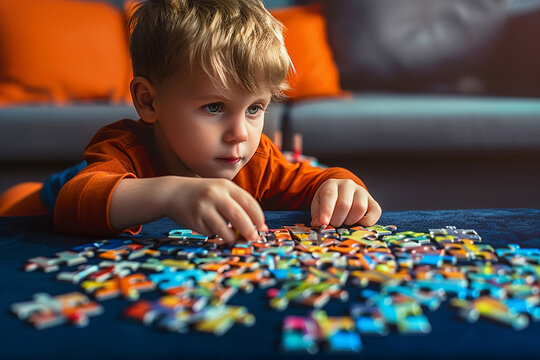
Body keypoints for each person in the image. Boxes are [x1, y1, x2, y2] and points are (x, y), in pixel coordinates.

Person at [0, 0, 381, 242]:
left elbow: (312, 180)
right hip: (52, 194)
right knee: (19, 207)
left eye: (255, 109)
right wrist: (172, 192)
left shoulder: (255, 157)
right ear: (148, 102)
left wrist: (341, 184)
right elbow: (75, 202)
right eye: (214, 107)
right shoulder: (122, 145)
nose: (239, 135)